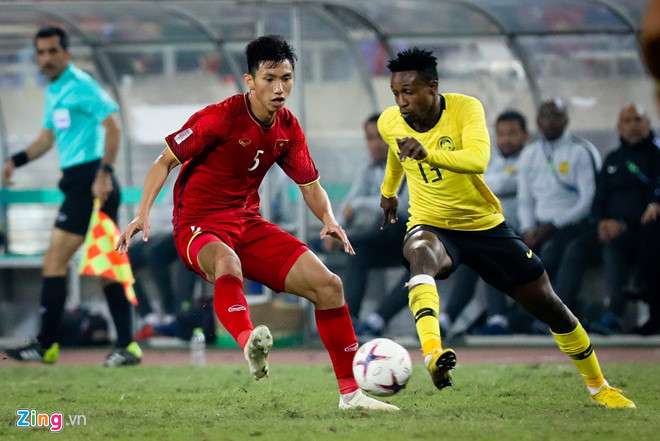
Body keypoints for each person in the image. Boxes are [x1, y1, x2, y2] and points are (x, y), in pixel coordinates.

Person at [116, 35, 397, 411]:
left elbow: (310, 186)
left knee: (329, 286)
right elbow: (163, 161)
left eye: (287, 77)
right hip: (197, 225)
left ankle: (352, 395)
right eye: (269, 79)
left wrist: (328, 219)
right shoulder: (220, 118)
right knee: (227, 263)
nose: (280, 88)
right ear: (250, 81)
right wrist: (143, 211)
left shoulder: (288, 129)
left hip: (247, 223)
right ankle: (250, 341)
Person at [378, 47, 634, 408]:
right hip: (432, 222)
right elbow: (395, 150)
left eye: (409, 92)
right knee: (420, 254)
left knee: (549, 305)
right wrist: (389, 193)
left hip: (484, 225)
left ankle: (599, 386)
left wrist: (428, 153)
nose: (401, 101)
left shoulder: (466, 108)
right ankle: (433, 353)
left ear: (432, 87)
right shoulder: (390, 120)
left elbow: (477, 159)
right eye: (395, 94)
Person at [3, 26, 141, 367]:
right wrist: (14, 162)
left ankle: (47, 344)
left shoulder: (81, 85)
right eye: (41, 52)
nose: (46, 58)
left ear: (66, 53)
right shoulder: (55, 91)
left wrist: (104, 173)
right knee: (105, 267)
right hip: (80, 183)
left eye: (52, 51)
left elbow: (114, 127)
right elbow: (46, 140)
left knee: (56, 261)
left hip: (91, 183)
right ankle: (127, 346)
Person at [321, 113, 409, 336]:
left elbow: (401, 205)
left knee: (393, 224)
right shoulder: (368, 169)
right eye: (370, 138)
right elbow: (347, 205)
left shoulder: (407, 164)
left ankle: (376, 320)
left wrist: (361, 205)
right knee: (358, 250)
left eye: (380, 137)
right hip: (381, 240)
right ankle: (349, 320)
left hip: (408, 237)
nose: (375, 144)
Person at [444, 110, 531, 335]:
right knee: (472, 251)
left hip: (524, 229)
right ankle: (451, 316)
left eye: (512, 133)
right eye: (501, 134)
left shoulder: (531, 159)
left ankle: (494, 317)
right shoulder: (492, 161)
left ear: (525, 135)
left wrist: (482, 183)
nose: (506, 139)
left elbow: (503, 185)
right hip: (490, 228)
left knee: (485, 247)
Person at [517, 99, 601, 318]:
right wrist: (527, 229)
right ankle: (512, 316)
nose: (550, 121)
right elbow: (524, 199)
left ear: (566, 119)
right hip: (536, 227)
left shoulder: (581, 151)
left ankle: (556, 316)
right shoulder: (530, 154)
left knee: (550, 253)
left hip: (573, 224)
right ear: (537, 121)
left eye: (556, 115)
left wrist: (554, 225)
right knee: (508, 251)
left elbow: (587, 201)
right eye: (545, 115)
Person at [592, 103, 660, 335]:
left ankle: (646, 301)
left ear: (648, 124)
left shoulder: (657, 154)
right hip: (613, 231)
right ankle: (612, 315)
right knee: (576, 248)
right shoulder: (612, 159)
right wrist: (601, 222)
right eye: (627, 121)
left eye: (638, 120)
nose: (633, 125)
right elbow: (599, 198)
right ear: (619, 128)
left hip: (646, 228)